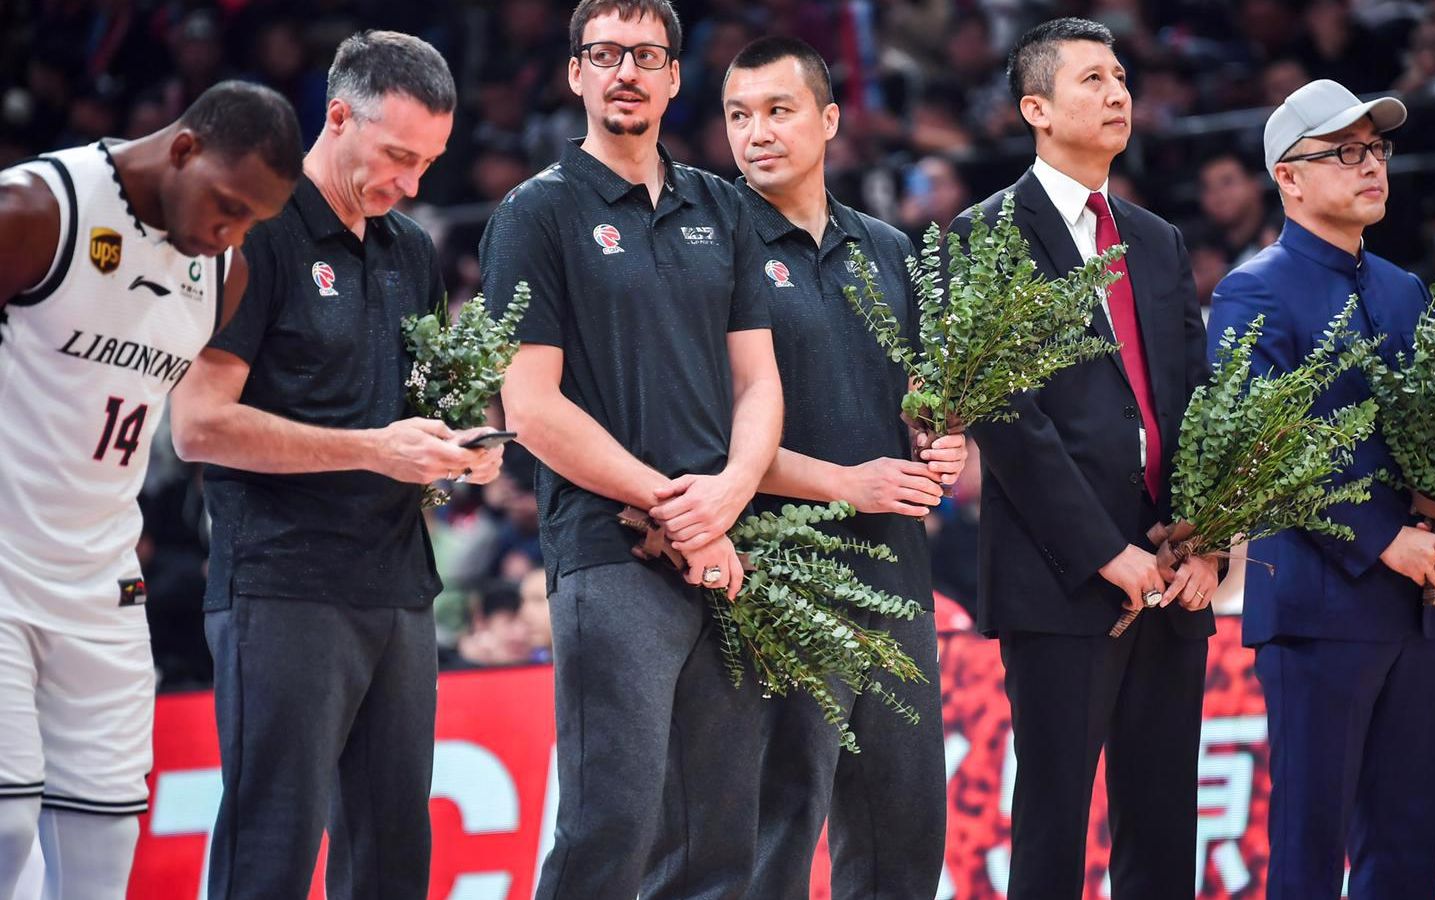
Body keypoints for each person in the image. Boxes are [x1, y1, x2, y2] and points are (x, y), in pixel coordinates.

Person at [168, 32, 503, 900]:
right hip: (281, 586)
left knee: (395, 860)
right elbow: (197, 427)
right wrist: (373, 450)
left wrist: (449, 453)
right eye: (397, 156)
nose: (413, 184)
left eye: (428, 163)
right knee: (271, 851)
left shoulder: (412, 251)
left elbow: (400, 425)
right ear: (338, 115)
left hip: (396, 589)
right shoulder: (260, 233)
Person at [478, 1, 784, 897]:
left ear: (676, 76)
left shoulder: (720, 206)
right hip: (610, 556)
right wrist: (682, 507)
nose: (626, 72)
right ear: (575, 72)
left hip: (728, 547)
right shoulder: (536, 213)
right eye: (605, 53)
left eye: (647, 55)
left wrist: (725, 496)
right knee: (613, 825)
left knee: (722, 837)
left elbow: (760, 384)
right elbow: (530, 409)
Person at [0, 80, 301, 900]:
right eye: (228, 205)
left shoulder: (224, 273)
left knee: (103, 857)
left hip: (101, 582)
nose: (230, 233)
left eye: (251, 223)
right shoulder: (35, 209)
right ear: (181, 149)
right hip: (3, 566)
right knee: (6, 828)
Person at [957, 18, 1216, 899]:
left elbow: (1196, 401)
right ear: (1036, 108)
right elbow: (1007, 422)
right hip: (1063, 579)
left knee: (1162, 824)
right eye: (1092, 81)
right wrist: (1110, 554)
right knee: (1055, 826)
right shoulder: (983, 235)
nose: (1117, 95)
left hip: (1173, 573)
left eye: (1121, 79)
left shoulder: (1156, 238)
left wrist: (1205, 538)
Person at [1207, 78, 1435, 900]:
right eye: (1346, 153)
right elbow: (1259, 452)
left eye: (1377, 151)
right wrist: (1387, 539)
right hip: (1318, 609)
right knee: (1310, 848)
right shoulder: (1252, 290)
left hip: (1421, 603)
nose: (1372, 168)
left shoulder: (1405, 289)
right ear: (1288, 177)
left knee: (1405, 847)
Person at [720, 36, 967, 898]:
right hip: (771, 571)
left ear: (829, 120)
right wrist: (844, 482)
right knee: (773, 837)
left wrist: (943, 444)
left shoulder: (893, 253)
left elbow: (921, 406)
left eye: (778, 111)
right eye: (738, 115)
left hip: (895, 572)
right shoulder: (711, 244)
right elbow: (708, 439)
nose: (757, 133)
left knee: (903, 833)